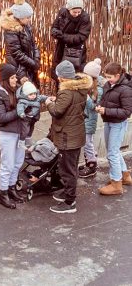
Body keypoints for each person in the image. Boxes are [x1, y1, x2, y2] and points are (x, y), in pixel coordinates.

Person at [48, 61, 92, 213]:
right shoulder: (80, 88)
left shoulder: (66, 91)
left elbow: (57, 111)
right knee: (71, 166)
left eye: (59, 76)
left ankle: (69, 202)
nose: (58, 78)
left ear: (63, 77)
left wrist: (49, 103)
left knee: (67, 169)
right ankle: (68, 193)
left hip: (67, 136)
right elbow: (70, 107)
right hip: (76, 134)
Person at [0, 64, 26, 209]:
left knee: (18, 162)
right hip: (7, 134)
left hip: (20, 133)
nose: (15, 79)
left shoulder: (17, 90)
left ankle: (12, 188)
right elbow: (0, 117)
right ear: (6, 79)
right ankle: (3, 193)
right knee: (7, 164)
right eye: (12, 77)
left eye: (15, 77)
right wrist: (18, 112)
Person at [96, 62, 132, 195]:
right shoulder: (109, 84)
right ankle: (125, 176)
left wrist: (106, 111)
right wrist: (99, 106)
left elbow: (126, 112)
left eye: (110, 77)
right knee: (114, 151)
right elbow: (104, 99)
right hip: (109, 121)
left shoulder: (126, 89)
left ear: (118, 75)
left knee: (111, 153)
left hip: (118, 123)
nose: (107, 79)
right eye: (106, 76)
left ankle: (116, 184)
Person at [0, 0, 40, 88]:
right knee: (24, 91)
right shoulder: (11, 30)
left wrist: (37, 58)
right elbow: (16, 52)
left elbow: (33, 44)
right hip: (18, 67)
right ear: (20, 17)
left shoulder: (26, 27)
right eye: (27, 17)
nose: (29, 19)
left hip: (28, 64)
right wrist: (32, 63)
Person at [50, 0, 91, 85]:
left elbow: (82, 36)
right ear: (69, 9)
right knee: (59, 72)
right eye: (74, 12)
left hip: (75, 51)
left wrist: (63, 36)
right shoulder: (62, 13)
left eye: (78, 12)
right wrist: (55, 32)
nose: (77, 14)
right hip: (61, 48)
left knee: (72, 74)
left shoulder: (84, 18)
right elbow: (54, 26)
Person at [79, 58, 105, 178]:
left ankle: (92, 165)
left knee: (88, 143)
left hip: (90, 120)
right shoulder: (86, 85)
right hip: (82, 119)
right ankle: (88, 161)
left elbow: (95, 107)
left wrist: (87, 98)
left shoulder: (98, 89)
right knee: (87, 142)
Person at [16, 80, 48, 147]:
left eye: (34, 93)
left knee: (31, 129)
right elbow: (20, 108)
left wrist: (48, 98)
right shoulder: (23, 101)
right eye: (30, 94)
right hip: (26, 118)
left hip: (33, 118)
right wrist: (21, 113)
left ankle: (28, 139)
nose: (33, 96)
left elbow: (43, 97)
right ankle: (21, 141)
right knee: (25, 130)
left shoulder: (37, 97)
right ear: (25, 95)